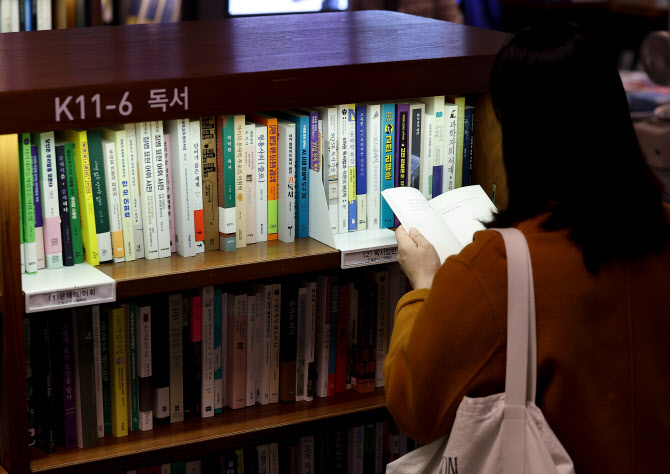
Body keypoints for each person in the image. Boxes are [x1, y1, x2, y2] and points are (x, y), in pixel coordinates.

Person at [383, 20, 670, 473]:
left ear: (516, 131)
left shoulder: (497, 265)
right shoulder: (663, 226)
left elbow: (415, 407)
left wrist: (424, 286)